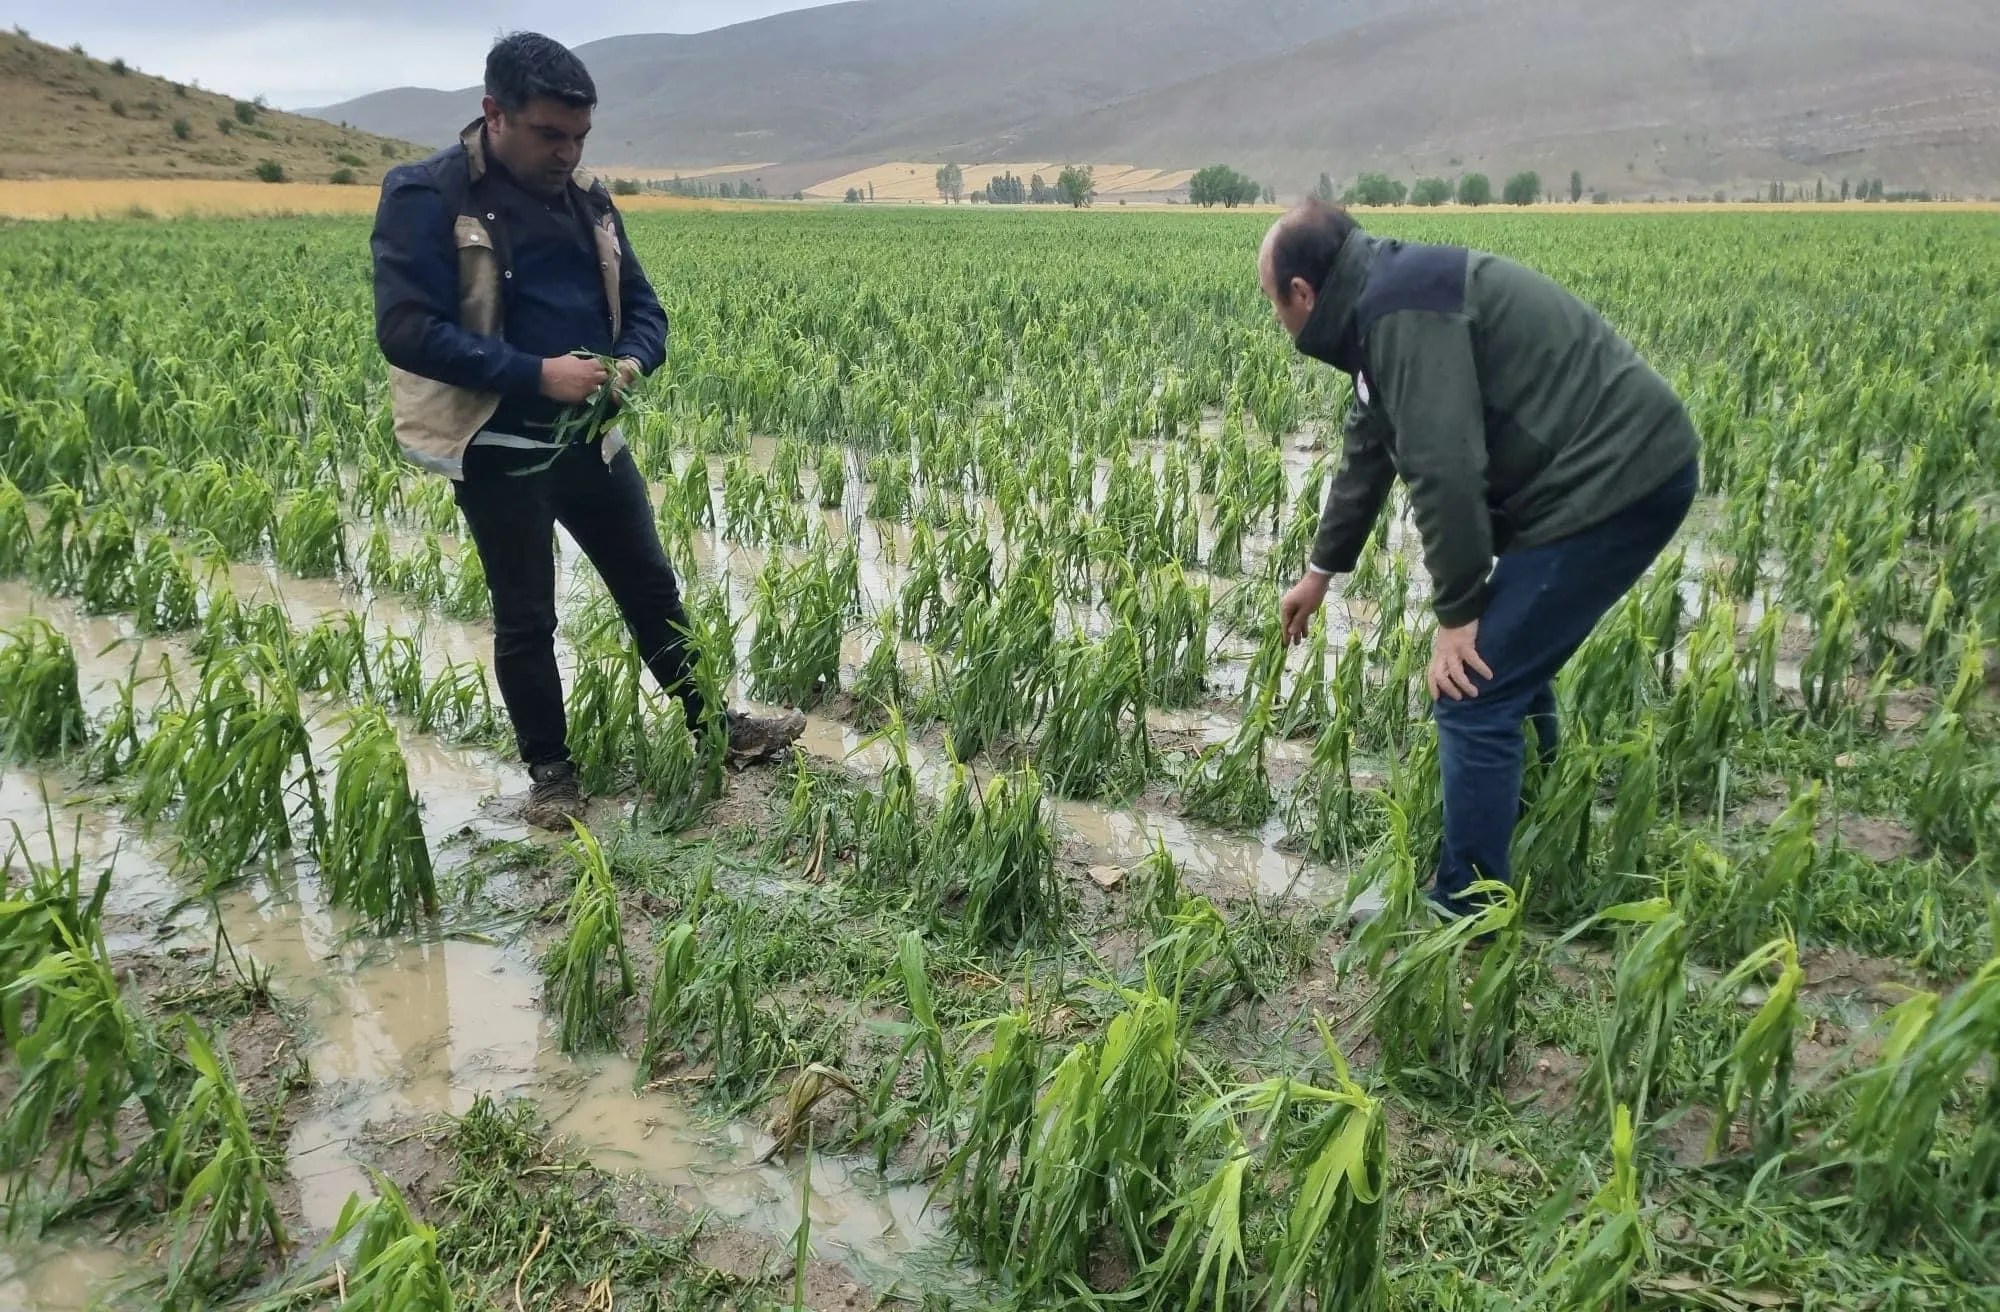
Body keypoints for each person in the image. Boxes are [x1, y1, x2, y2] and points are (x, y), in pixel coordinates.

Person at [371, 31, 802, 829]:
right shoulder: (426, 195)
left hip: (594, 442)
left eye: (579, 136)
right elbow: (405, 331)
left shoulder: (589, 199)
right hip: (498, 451)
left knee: (651, 587)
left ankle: (718, 730)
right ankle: (553, 778)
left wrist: (633, 361)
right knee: (527, 617)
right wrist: (537, 374)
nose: (567, 153)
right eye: (549, 135)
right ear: (494, 113)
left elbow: (645, 310)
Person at [1260, 200, 1699, 919]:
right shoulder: (1383, 304)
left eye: (1273, 303)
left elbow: (1445, 468)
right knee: (1509, 666)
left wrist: (1459, 613)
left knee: (1472, 688)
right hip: (1593, 475)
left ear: (1303, 293)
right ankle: (1534, 818)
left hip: (1614, 479)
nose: (1277, 320)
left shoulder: (1399, 315)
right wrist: (1320, 572)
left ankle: (1466, 907)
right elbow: (1368, 445)